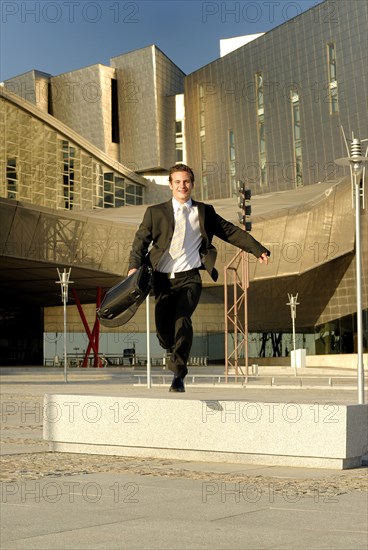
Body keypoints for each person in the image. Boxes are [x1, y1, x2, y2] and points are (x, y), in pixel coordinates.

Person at [128, 163, 270, 392]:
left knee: (182, 319)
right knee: (165, 331)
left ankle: (179, 375)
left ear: (192, 184)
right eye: (177, 182)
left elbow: (229, 232)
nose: (182, 186)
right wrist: (133, 267)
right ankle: (170, 347)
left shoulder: (204, 212)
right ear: (170, 185)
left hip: (190, 279)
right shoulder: (155, 213)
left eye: (186, 182)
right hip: (163, 281)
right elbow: (139, 243)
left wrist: (257, 248)